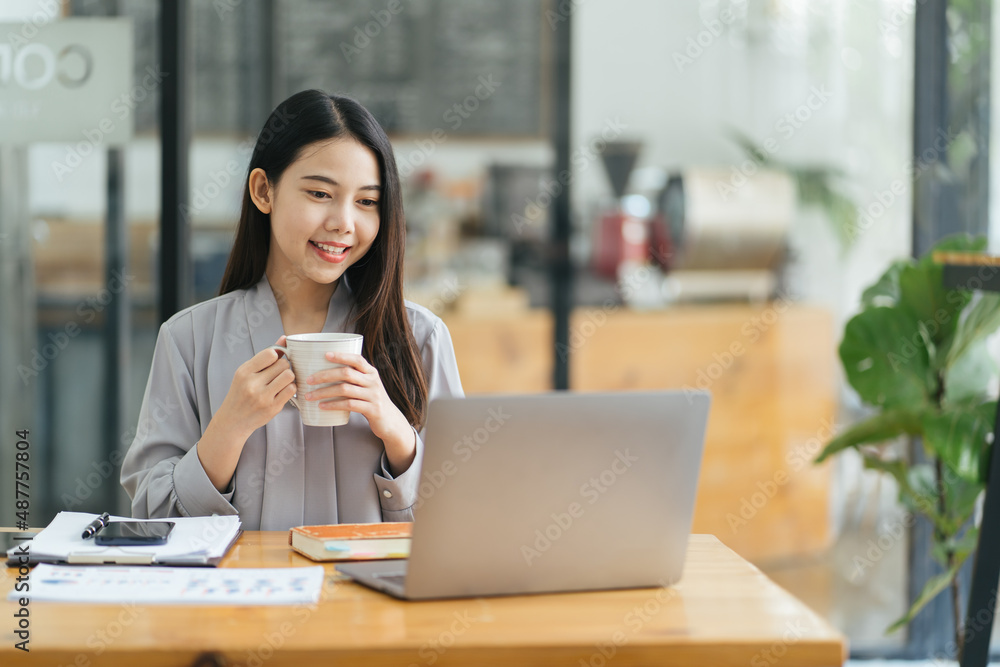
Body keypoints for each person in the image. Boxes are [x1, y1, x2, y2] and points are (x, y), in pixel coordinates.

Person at [120, 90, 464, 530]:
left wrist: (395, 430)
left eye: (367, 201)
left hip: (368, 600)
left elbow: (461, 516)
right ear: (264, 191)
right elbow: (151, 519)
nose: (344, 222)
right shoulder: (187, 339)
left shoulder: (420, 336)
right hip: (240, 599)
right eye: (320, 193)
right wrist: (229, 427)